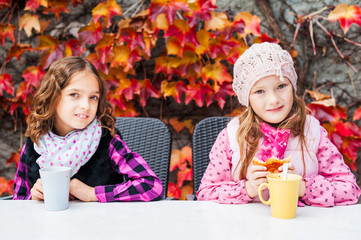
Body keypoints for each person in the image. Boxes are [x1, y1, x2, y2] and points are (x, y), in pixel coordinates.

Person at [196, 42, 361, 206]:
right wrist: (248, 188)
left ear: (292, 87)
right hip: (245, 228)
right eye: (260, 91)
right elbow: (206, 193)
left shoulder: (312, 132)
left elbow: (349, 190)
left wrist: (301, 187)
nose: (274, 100)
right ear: (247, 98)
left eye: (281, 86)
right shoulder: (232, 136)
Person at [13, 56, 163, 202]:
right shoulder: (36, 143)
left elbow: (152, 186)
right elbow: (18, 200)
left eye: (93, 97)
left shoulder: (106, 141)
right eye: (74, 95)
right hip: (49, 226)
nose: (86, 105)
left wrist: (93, 193)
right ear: (52, 97)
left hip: (100, 225)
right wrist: (32, 197)